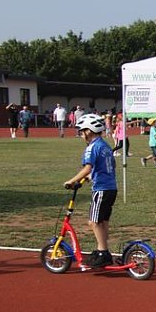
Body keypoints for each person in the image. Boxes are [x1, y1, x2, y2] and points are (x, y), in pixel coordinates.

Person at [62, 114, 117, 268]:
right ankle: (103, 250)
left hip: (101, 189)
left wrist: (71, 181)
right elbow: (105, 167)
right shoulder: (105, 145)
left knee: (94, 221)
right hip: (111, 188)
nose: (81, 135)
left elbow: (88, 167)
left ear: (89, 131)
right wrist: (86, 179)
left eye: (81, 131)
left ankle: (103, 252)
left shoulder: (92, 147)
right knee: (102, 221)